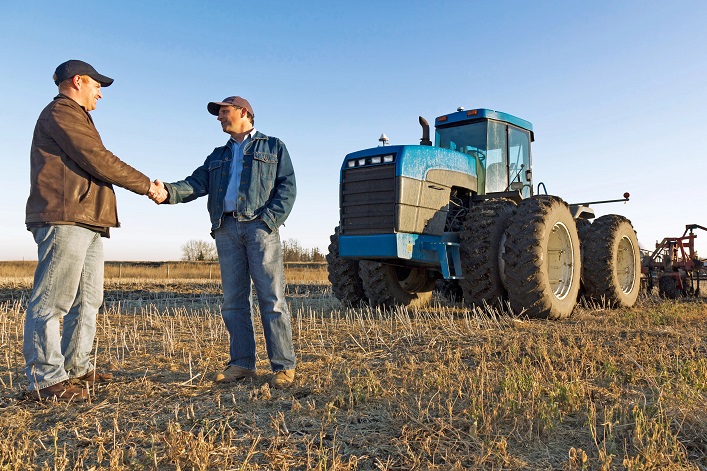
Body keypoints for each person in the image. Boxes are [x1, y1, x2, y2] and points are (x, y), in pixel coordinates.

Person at [24, 60, 164, 401]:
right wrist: (148, 186)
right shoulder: (61, 113)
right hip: (65, 216)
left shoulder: (77, 116)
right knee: (52, 300)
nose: (100, 93)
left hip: (87, 219)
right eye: (97, 85)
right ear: (78, 81)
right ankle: (45, 381)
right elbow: (98, 158)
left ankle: (76, 368)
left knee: (87, 300)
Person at [151, 96, 297, 389]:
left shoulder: (273, 146)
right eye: (218, 113)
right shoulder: (218, 155)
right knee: (233, 301)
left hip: (260, 228)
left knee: (272, 298)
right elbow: (195, 183)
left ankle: (283, 367)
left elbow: (287, 187)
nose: (219, 117)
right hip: (226, 228)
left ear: (244, 112)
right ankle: (242, 364)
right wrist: (167, 191)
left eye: (224, 111)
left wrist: (268, 221)